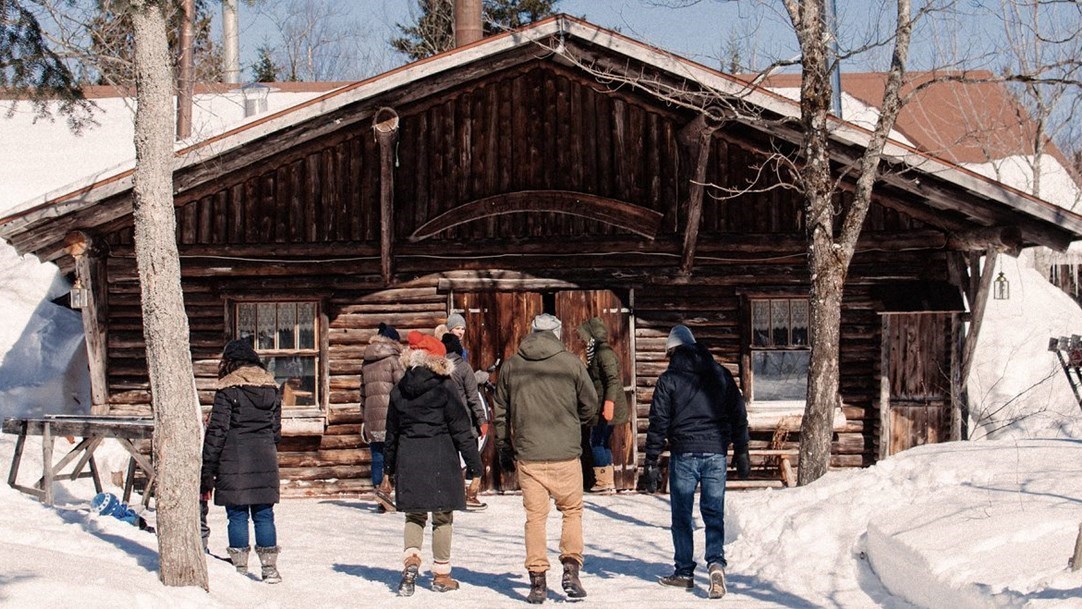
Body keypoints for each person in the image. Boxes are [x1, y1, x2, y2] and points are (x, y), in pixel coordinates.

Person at [494, 313, 598, 604]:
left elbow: (500, 411)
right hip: (565, 452)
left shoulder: (512, 366)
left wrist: (503, 447)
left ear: (531, 332)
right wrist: (576, 425)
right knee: (572, 511)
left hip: (530, 455)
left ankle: (537, 581)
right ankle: (571, 570)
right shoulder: (572, 364)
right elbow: (590, 405)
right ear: (558, 333)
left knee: (535, 519)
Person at [642, 325, 750, 599]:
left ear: (672, 352)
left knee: (682, 515)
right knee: (713, 513)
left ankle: (685, 572)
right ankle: (715, 564)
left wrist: (651, 461)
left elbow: (658, 423)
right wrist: (742, 451)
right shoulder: (721, 374)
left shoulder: (669, 380)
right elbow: (738, 414)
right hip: (715, 452)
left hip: (685, 454)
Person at [386, 330, 483, 596]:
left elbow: (391, 434)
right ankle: (441, 576)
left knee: (414, 515)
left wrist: (388, 468)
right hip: (441, 458)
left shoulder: (399, 390)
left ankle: (411, 562)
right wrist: (475, 466)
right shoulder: (445, 387)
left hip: (409, 458)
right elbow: (461, 430)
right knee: (442, 517)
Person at [201, 338, 283, 584]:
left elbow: (218, 431)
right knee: (264, 514)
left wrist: (208, 466)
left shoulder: (228, 389)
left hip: (234, 459)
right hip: (265, 457)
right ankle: (269, 569)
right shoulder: (271, 388)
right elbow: (276, 431)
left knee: (237, 515)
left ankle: (239, 569)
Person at [576, 317, 629, 494]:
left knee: (597, 442)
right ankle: (606, 481)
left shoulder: (604, 353)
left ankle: (603, 482)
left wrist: (609, 403)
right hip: (600, 404)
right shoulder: (596, 353)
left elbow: (612, 379)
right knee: (602, 441)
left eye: (584, 336)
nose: (582, 340)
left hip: (605, 406)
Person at [442, 332, 489, 511]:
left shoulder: (439, 367)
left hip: (444, 422)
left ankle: (453, 494)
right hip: (465, 422)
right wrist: (482, 420)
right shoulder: (463, 368)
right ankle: (471, 494)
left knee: (452, 460)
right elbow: (473, 397)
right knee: (474, 462)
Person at [361, 322, 404, 512]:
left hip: (372, 415)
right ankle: (393, 492)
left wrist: (365, 416)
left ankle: (380, 492)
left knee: (377, 455)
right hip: (391, 415)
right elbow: (402, 388)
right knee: (395, 453)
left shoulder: (367, 360)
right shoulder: (394, 359)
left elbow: (362, 392)